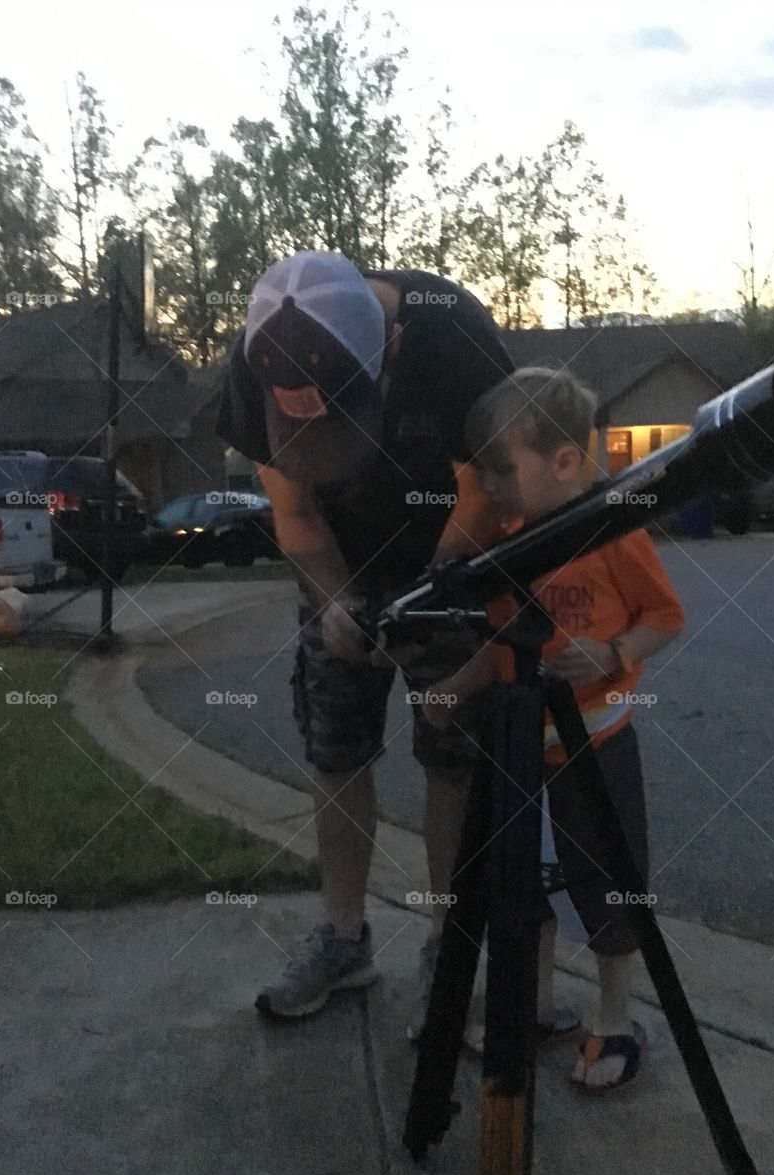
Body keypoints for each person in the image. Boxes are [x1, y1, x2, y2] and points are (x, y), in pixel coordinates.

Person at [214, 250, 514, 1029]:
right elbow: (296, 514)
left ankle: (448, 952)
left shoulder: (456, 340)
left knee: (451, 754)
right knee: (336, 748)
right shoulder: (257, 362)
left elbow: (487, 487)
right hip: (338, 561)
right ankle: (343, 940)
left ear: (388, 349)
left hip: (452, 555)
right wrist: (342, 603)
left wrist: (429, 598)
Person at [421, 366, 686, 1092]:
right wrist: (452, 687)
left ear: (564, 462)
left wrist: (612, 654)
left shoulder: (613, 533)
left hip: (595, 745)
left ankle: (614, 1019)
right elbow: (500, 643)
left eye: (501, 469)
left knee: (606, 881)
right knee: (515, 884)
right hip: (516, 748)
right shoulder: (508, 546)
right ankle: (531, 1008)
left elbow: (664, 616)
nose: (490, 487)